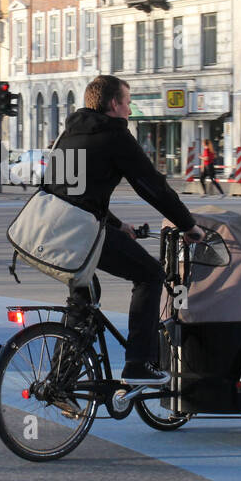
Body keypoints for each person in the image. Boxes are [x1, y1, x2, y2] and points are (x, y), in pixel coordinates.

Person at [44, 74, 203, 386]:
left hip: (53, 231)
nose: (130, 110)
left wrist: (118, 225)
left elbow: (68, 192)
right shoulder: (114, 135)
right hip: (83, 233)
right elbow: (151, 186)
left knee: (84, 302)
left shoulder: (69, 135)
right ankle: (138, 364)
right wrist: (189, 225)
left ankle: (59, 382)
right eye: (128, 102)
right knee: (150, 275)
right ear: (114, 104)